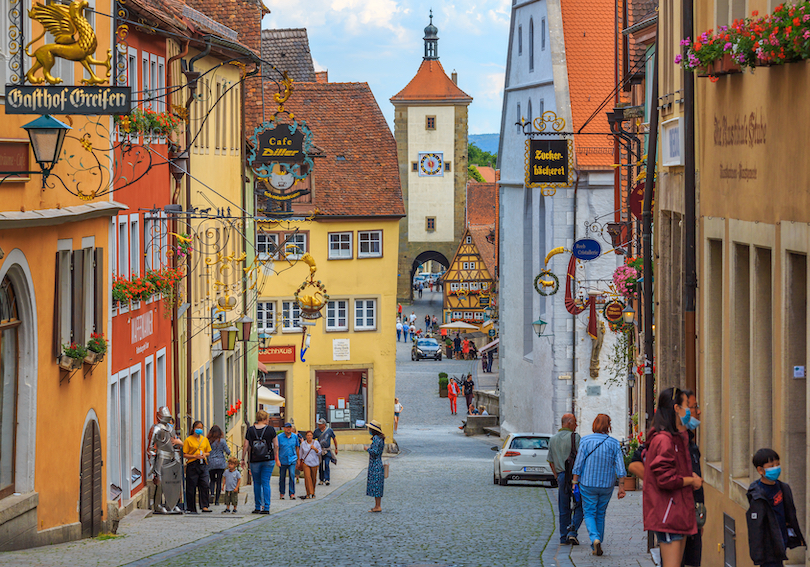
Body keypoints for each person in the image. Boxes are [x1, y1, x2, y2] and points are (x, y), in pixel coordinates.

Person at [629, 390, 704, 567]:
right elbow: (665, 478)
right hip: (670, 513)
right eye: (689, 406)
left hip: (679, 512)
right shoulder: (664, 439)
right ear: (677, 408)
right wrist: (690, 480)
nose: (695, 411)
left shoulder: (677, 438)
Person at [571, 414, 626, 556]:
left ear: (594, 424)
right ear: (608, 425)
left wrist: (574, 481)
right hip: (606, 484)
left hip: (587, 483)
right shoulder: (614, 443)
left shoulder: (585, 441)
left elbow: (578, 463)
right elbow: (620, 468)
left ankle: (594, 538)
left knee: (589, 512)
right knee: (600, 513)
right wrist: (621, 487)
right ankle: (598, 541)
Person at [747, 448, 806, 567]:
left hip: (781, 540)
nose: (776, 468)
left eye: (777, 464)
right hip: (769, 547)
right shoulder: (758, 495)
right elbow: (756, 528)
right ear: (760, 470)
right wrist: (758, 554)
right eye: (771, 465)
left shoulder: (783, 488)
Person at [548, 414, 584, 545]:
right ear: (568, 423)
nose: (576, 425)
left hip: (561, 476)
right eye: (575, 422)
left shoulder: (552, 439)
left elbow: (550, 461)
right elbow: (581, 458)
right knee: (580, 504)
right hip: (575, 476)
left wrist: (557, 476)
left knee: (563, 508)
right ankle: (572, 531)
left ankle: (563, 537)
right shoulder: (575, 437)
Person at [242, 410, 279, 514]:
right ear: (265, 419)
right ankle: (266, 507)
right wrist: (275, 456)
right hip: (268, 459)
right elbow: (276, 445)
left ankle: (257, 506)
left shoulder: (250, 430)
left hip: (255, 460)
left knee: (257, 483)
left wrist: (243, 459)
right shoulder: (271, 430)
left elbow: (246, 446)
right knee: (266, 482)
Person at [182, 420, 212, 514]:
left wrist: (204, 455)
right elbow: (184, 454)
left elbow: (208, 452)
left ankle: (204, 506)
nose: (199, 430)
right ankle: (191, 507)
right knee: (191, 486)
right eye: (197, 428)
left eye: (201, 428)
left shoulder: (205, 439)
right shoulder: (188, 440)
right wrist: (194, 456)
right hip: (192, 464)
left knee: (205, 485)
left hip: (203, 463)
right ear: (193, 429)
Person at [206, 425, 230, 506]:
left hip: (211, 462)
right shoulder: (222, 441)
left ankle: (212, 493)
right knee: (219, 481)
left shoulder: (208, 441)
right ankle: (217, 500)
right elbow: (228, 451)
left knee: (212, 480)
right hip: (220, 463)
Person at [365, 420, 386, 512]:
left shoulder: (376, 439)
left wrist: (367, 449)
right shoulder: (380, 438)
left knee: (376, 485)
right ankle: (377, 505)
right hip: (378, 463)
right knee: (378, 486)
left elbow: (375, 452)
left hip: (375, 464)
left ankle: (378, 506)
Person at [277, 422, 299, 500]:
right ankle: (282, 493)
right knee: (282, 477)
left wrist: (298, 459)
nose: (288, 429)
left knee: (292, 475)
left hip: (292, 459)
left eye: (289, 427)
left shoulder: (295, 437)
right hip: (282, 460)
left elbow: (297, 447)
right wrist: (277, 459)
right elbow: (277, 448)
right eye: (287, 427)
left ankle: (292, 493)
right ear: (284, 428)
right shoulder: (279, 437)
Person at [297, 431, 321, 499]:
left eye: (310, 435)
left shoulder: (316, 443)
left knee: (313, 478)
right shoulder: (303, 444)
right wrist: (299, 461)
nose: (309, 436)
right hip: (306, 463)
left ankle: (313, 492)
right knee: (307, 477)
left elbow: (319, 452)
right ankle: (308, 493)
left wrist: (315, 449)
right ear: (306, 436)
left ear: (312, 436)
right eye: (308, 435)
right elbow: (301, 453)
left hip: (314, 463)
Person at [315, 418, 337, 486]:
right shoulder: (316, 431)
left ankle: (327, 479)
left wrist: (336, 448)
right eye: (318, 424)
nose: (319, 425)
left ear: (324, 424)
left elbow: (334, 439)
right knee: (320, 465)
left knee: (327, 464)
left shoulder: (329, 430)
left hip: (327, 450)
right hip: (320, 450)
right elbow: (313, 439)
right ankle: (321, 479)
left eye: (320, 424)